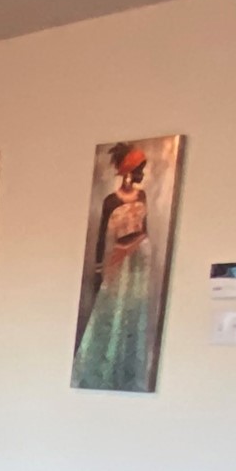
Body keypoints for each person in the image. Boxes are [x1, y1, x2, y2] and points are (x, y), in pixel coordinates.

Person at [71, 143, 156, 390]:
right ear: (127, 171)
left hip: (140, 256)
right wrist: (99, 270)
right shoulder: (110, 201)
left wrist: (144, 252)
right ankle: (102, 372)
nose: (141, 174)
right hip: (119, 258)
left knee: (134, 313)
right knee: (110, 313)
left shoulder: (142, 196)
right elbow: (100, 239)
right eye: (138, 169)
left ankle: (128, 372)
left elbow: (144, 228)